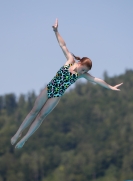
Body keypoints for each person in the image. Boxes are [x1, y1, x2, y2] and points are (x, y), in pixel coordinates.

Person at [11, 19, 123, 149]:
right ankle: (18, 133)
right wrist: (56, 31)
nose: (84, 72)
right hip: (50, 87)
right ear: (80, 63)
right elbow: (63, 45)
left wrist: (110, 87)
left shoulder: (81, 75)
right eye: (84, 69)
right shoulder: (70, 61)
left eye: (86, 71)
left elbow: (96, 80)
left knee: (41, 117)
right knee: (34, 111)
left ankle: (24, 139)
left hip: (57, 95)